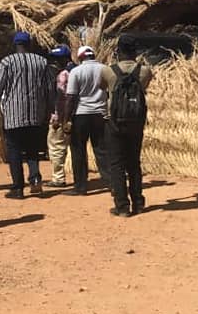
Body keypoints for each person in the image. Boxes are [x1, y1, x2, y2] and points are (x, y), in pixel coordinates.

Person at [0, 31, 54, 198]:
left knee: (14, 150)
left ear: (15, 45)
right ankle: (35, 179)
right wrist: (50, 110)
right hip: (35, 115)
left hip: (13, 116)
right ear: (29, 45)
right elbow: (49, 89)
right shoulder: (42, 62)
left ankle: (18, 188)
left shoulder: (7, 62)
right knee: (32, 149)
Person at [101, 35, 153, 216]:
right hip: (136, 122)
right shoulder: (144, 71)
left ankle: (122, 206)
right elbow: (144, 87)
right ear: (135, 51)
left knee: (116, 164)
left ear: (118, 50)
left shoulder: (108, 71)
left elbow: (102, 87)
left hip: (114, 121)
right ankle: (138, 202)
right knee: (134, 163)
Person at [62, 45, 109, 199]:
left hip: (81, 114)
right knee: (101, 149)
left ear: (80, 57)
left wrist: (66, 119)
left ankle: (80, 186)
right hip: (100, 114)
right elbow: (109, 91)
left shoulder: (76, 72)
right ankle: (111, 183)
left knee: (78, 151)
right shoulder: (104, 69)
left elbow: (71, 97)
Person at [46, 45, 75, 187]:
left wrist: (59, 118)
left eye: (57, 59)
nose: (55, 62)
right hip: (77, 115)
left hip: (61, 117)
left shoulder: (63, 75)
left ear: (64, 59)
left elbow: (63, 98)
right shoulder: (76, 71)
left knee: (56, 147)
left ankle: (58, 178)